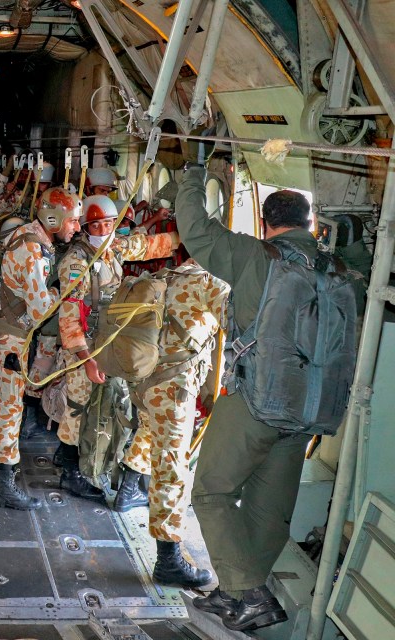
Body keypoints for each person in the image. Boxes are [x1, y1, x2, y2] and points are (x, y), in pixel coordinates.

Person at [177, 158, 314, 631]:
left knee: (211, 492)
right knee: (267, 509)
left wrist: (192, 176)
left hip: (256, 401)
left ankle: (249, 594)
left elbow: (195, 229)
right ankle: (236, 594)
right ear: (310, 223)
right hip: (308, 413)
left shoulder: (256, 256)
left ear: (264, 222)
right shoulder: (337, 268)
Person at [0, 187, 80, 510]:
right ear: (54, 219)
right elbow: (39, 311)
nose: (76, 228)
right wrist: (63, 290)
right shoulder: (34, 252)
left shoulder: (23, 232)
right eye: (73, 221)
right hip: (11, 341)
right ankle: (4, 484)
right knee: (10, 409)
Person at [55, 195, 178, 502]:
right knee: (78, 405)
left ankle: (74, 457)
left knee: (103, 406)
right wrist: (85, 359)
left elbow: (148, 246)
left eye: (110, 223)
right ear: (85, 226)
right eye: (97, 224)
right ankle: (70, 472)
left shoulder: (113, 248)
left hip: (111, 339)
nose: (104, 229)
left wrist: (185, 237)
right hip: (86, 342)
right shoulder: (76, 262)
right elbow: (69, 316)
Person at [114, 259, 229, 588]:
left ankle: (126, 490)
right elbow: (237, 324)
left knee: (150, 434)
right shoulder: (210, 283)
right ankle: (169, 560)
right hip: (175, 387)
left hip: (148, 380)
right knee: (172, 468)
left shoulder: (166, 275)